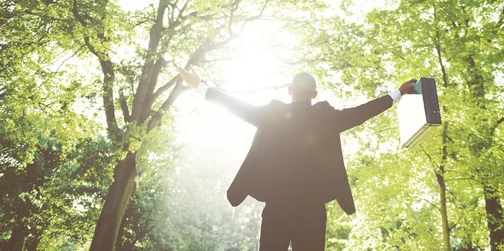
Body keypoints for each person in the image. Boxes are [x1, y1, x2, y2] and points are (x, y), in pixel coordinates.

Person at [177, 67, 417, 251]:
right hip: (312, 211)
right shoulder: (327, 119)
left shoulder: (271, 115)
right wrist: (399, 92)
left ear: (289, 91)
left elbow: (237, 106)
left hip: (276, 208)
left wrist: (200, 86)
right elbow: (361, 113)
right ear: (314, 94)